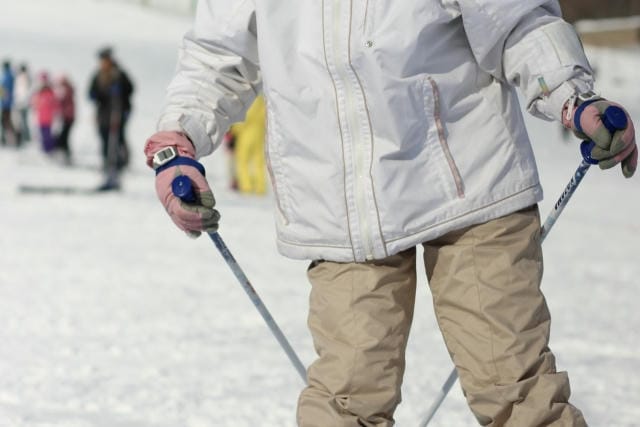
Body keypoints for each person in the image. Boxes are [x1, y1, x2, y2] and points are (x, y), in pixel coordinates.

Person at [143, 2, 637, 426]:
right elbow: (217, 56)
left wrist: (572, 95)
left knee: (516, 388)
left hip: (471, 181)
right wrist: (178, 140)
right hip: (339, 206)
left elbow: (516, 19)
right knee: (345, 402)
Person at [88, 46, 134, 189]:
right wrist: (97, 95)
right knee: (105, 143)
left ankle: (117, 171)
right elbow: (91, 92)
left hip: (117, 115)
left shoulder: (119, 74)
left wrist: (121, 96)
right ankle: (107, 171)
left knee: (116, 143)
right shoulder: (99, 75)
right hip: (103, 116)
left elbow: (130, 89)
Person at [228, 94, 267, 194]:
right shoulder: (261, 101)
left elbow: (241, 120)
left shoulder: (244, 102)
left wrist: (234, 132)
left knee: (242, 161)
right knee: (258, 161)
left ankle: (246, 186)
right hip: (259, 134)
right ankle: (260, 187)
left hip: (245, 135)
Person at [31, 71, 58, 154]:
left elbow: (55, 104)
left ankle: (49, 149)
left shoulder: (50, 92)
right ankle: (45, 149)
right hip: (41, 116)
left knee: (47, 134)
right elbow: (34, 103)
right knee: (42, 133)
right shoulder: (38, 92)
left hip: (48, 117)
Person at [55, 75, 75, 164]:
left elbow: (61, 101)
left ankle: (66, 155)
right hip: (67, 117)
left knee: (64, 136)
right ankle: (65, 154)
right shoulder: (68, 90)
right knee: (64, 136)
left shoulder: (67, 90)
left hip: (68, 117)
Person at [14, 63, 32, 145]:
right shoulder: (27, 77)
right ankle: (26, 137)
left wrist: (20, 102)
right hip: (24, 103)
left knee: (21, 121)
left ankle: (25, 138)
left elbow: (22, 92)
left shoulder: (22, 78)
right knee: (23, 120)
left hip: (22, 103)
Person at [1, 60, 18, 147]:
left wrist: (3, 99)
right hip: (7, 103)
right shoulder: (9, 75)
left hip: (6, 104)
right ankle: (8, 139)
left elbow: (4, 90)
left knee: (6, 122)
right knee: (6, 121)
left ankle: (12, 140)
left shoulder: (7, 76)